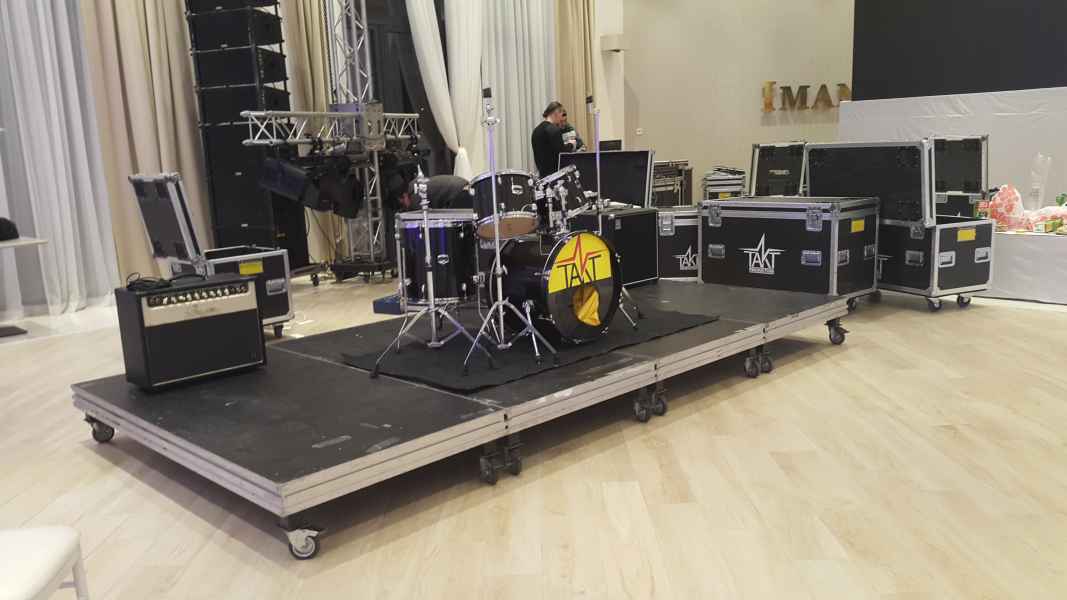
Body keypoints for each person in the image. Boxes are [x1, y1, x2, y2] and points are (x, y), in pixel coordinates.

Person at [531, 101, 576, 176]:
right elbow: (562, 154)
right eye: (561, 115)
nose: (561, 118)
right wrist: (571, 144)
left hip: (542, 175)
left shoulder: (536, 130)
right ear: (556, 113)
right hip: (554, 176)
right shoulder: (554, 130)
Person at [397, 173, 471, 210]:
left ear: (404, 195)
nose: (406, 207)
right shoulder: (415, 184)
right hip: (461, 185)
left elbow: (424, 216)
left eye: (403, 204)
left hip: (458, 192)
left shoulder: (416, 196)